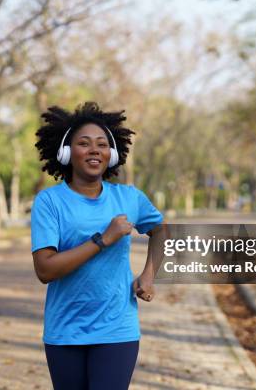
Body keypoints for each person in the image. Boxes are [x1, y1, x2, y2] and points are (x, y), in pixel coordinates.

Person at [31, 101, 164, 390]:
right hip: (65, 331)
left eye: (102, 144)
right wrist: (102, 240)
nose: (95, 150)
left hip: (118, 329)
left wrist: (149, 276)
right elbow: (45, 269)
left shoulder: (129, 198)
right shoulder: (49, 202)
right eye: (84, 143)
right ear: (66, 152)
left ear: (112, 154)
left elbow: (162, 231)